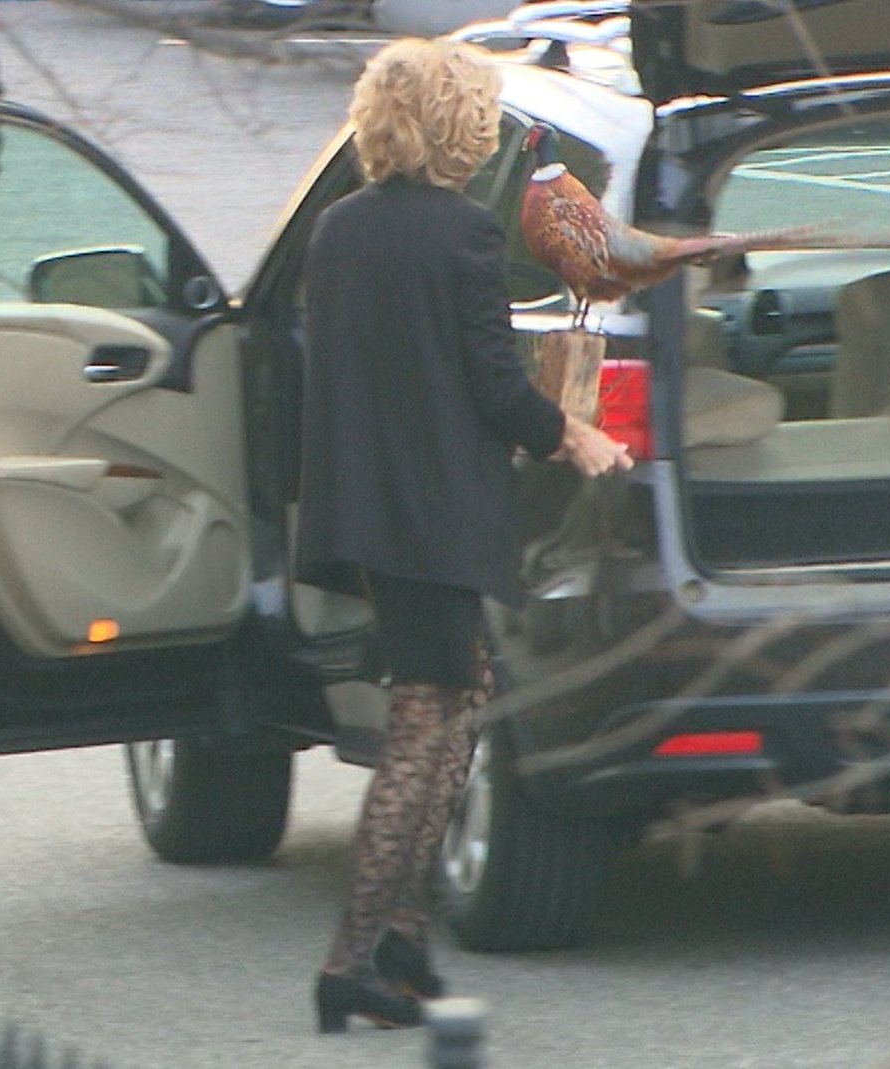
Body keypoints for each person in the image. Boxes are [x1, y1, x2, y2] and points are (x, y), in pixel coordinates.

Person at [296, 37, 633, 1033]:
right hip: (435, 513)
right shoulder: (464, 235)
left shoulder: (338, 228)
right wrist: (573, 434)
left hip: (370, 509)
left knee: (457, 697)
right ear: (457, 127)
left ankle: (404, 934)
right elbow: (493, 384)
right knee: (423, 721)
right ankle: (349, 959)